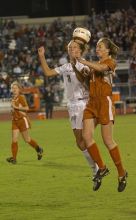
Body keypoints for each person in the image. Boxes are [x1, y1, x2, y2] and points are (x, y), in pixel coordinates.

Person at [38, 28, 99, 185]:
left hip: (83, 104)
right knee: (79, 143)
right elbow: (48, 72)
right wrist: (42, 56)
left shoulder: (84, 66)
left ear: (80, 50)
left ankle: (97, 169)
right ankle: (97, 168)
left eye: (74, 48)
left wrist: (78, 64)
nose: (71, 49)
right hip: (72, 105)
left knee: (85, 139)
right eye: (70, 48)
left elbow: (87, 80)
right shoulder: (65, 66)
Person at [77, 37, 128, 192]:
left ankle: (121, 173)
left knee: (108, 141)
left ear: (107, 50)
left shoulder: (110, 63)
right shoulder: (95, 66)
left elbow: (101, 69)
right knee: (86, 137)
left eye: (100, 47)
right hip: (91, 103)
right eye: (97, 47)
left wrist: (83, 61)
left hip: (104, 103)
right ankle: (103, 168)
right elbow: (85, 82)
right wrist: (76, 66)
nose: (97, 49)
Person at [6, 81, 43, 164]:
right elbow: (14, 109)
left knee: (27, 140)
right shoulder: (12, 98)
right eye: (12, 88)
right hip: (14, 121)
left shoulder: (21, 97)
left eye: (15, 88)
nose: (14, 89)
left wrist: (16, 107)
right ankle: (14, 159)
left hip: (22, 120)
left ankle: (38, 149)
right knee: (14, 140)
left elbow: (26, 108)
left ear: (19, 89)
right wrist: (12, 111)